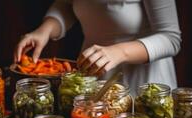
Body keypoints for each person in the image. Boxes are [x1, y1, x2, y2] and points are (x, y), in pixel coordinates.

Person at [14, 0, 181, 94]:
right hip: (93, 80)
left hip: (145, 87)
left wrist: (119, 51)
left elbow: (170, 38)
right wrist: (45, 30)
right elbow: (67, 5)